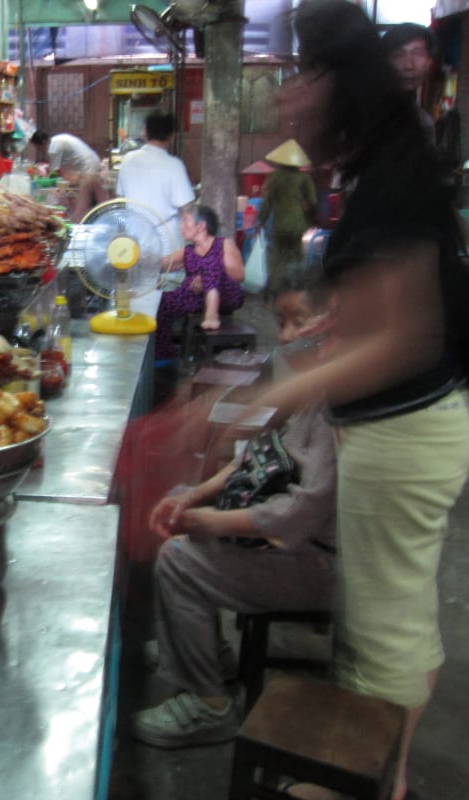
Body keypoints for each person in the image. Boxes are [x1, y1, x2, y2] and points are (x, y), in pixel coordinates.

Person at [249, 2, 469, 797]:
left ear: (339, 83)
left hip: (406, 434)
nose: (286, 100)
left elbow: (400, 338)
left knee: (386, 633)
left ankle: (365, 781)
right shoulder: (381, 164)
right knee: (399, 618)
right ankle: (394, 772)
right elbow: (391, 303)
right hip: (411, 428)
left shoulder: (391, 173)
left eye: (301, 76)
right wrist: (329, 328)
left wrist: (274, 397)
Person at [131, 270, 338, 748]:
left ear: (333, 321)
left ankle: (210, 705)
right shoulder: (311, 386)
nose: (286, 336)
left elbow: (299, 516)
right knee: (189, 519)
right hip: (293, 539)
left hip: (322, 562)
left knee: (180, 560)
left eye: (298, 322)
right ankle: (206, 654)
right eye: (281, 322)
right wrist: (194, 495)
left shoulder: (338, 407)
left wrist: (211, 521)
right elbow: (260, 456)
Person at [155, 205, 245, 359]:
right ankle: (164, 353)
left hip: (227, 296)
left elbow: (239, 275)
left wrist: (205, 278)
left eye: (185, 221)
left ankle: (211, 315)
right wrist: (136, 258)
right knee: (162, 302)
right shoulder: (188, 251)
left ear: (201, 226)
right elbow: (162, 264)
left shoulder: (224, 244)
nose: (181, 226)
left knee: (211, 268)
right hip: (198, 298)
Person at [115, 110, 195, 247]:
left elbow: (119, 199)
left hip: (135, 243)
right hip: (168, 245)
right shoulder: (174, 165)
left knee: (138, 268)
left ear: (145, 133)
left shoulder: (128, 160)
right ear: (171, 136)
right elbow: (187, 209)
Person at [257, 140, 318, 297]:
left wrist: (260, 222)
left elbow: (267, 203)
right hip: (298, 224)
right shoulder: (304, 179)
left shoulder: (274, 178)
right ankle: (295, 289)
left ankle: (274, 290)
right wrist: (312, 221)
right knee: (296, 257)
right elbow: (312, 203)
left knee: (278, 258)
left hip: (280, 225)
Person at [382, 23, 437, 145]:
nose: (409, 66)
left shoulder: (424, 124)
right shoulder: (369, 116)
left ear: (429, 63)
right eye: (398, 55)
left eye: (417, 54)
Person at [29, 130, 101, 177]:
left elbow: (54, 173)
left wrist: (43, 176)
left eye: (38, 147)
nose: (39, 150)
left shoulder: (53, 147)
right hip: (94, 161)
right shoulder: (57, 140)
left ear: (43, 142)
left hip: (87, 167)